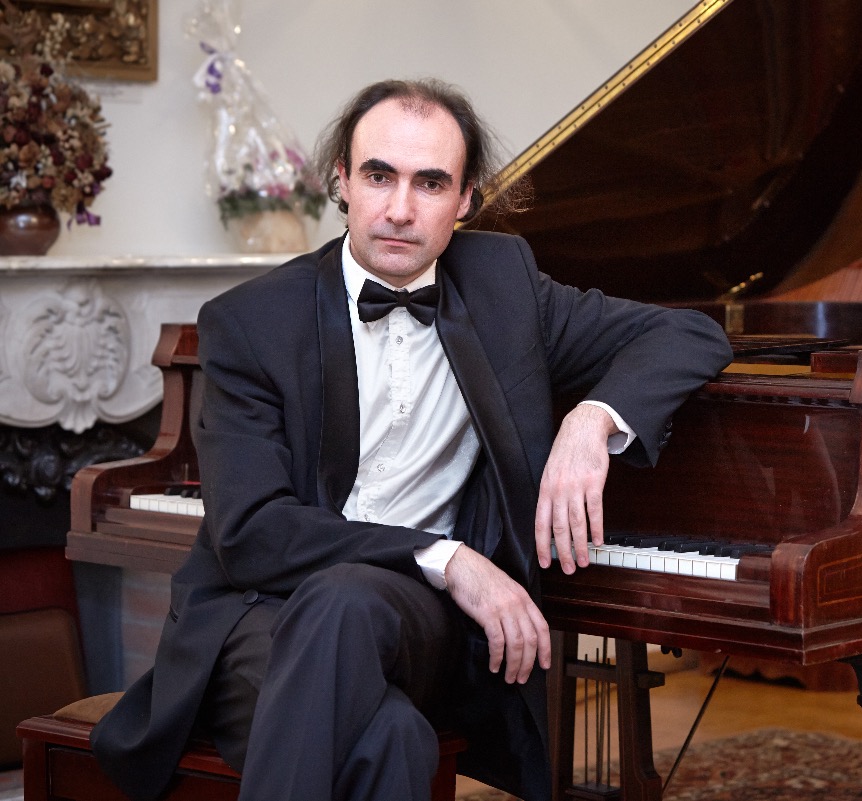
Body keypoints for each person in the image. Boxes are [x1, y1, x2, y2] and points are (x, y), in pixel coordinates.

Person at [91, 78, 732, 801]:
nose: (400, 209)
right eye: (379, 176)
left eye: (430, 183)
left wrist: (591, 420)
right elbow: (251, 534)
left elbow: (690, 334)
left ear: (466, 199)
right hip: (262, 615)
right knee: (391, 735)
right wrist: (447, 557)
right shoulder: (252, 321)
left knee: (348, 603)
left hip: (417, 625)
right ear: (342, 180)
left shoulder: (504, 286)